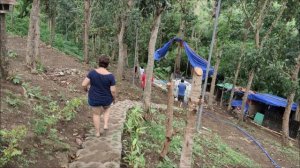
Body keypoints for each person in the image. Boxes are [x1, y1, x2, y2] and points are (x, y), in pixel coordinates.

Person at [81, 55, 116, 137]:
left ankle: (97, 133)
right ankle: (105, 125)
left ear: (99, 63)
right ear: (108, 64)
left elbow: (83, 84)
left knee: (96, 114)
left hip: (94, 98)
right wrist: (114, 98)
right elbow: (113, 90)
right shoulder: (111, 76)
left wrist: (86, 90)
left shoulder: (92, 73)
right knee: (107, 109)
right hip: (106, 99)